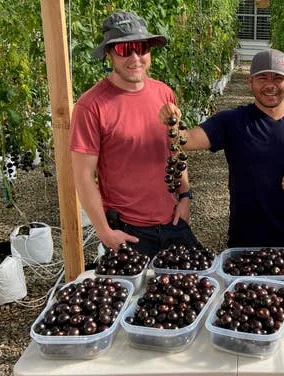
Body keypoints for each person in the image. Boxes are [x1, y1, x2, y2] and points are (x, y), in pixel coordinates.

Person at [159, 49, 284, 252]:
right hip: (245, 239)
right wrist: (172, 123)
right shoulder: (232, 122)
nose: (270, 85)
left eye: (278, 78)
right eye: (262, 78)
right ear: (250, 82)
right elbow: (188, 141)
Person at [70, 11, 200, 258]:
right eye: (124, 49)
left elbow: (176, 148)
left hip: (173, 220)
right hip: (129, 229)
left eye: (141, 47)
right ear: (109, 53)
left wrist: (185, 196)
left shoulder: (164, 93)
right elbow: (83, 175)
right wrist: (105, 232)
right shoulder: (91, 106)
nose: (135, 58)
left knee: (199, 287)